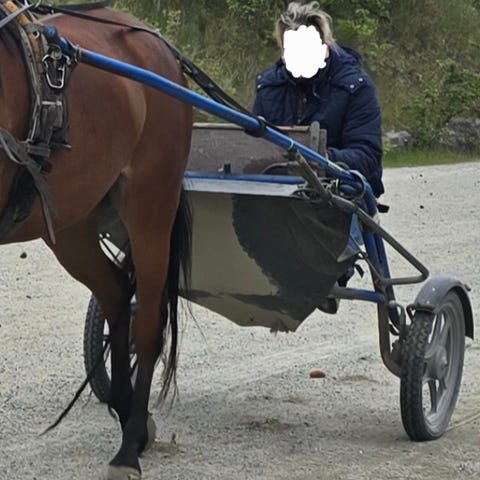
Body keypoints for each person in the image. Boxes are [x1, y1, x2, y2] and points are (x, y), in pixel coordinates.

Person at [252, 1, 384, 198]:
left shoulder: (356, 87)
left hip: (341, 192)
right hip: (280, 191)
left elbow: (367, 155)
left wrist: (321, 159)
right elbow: (254, 146)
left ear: (324, 47)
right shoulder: (268, 86)